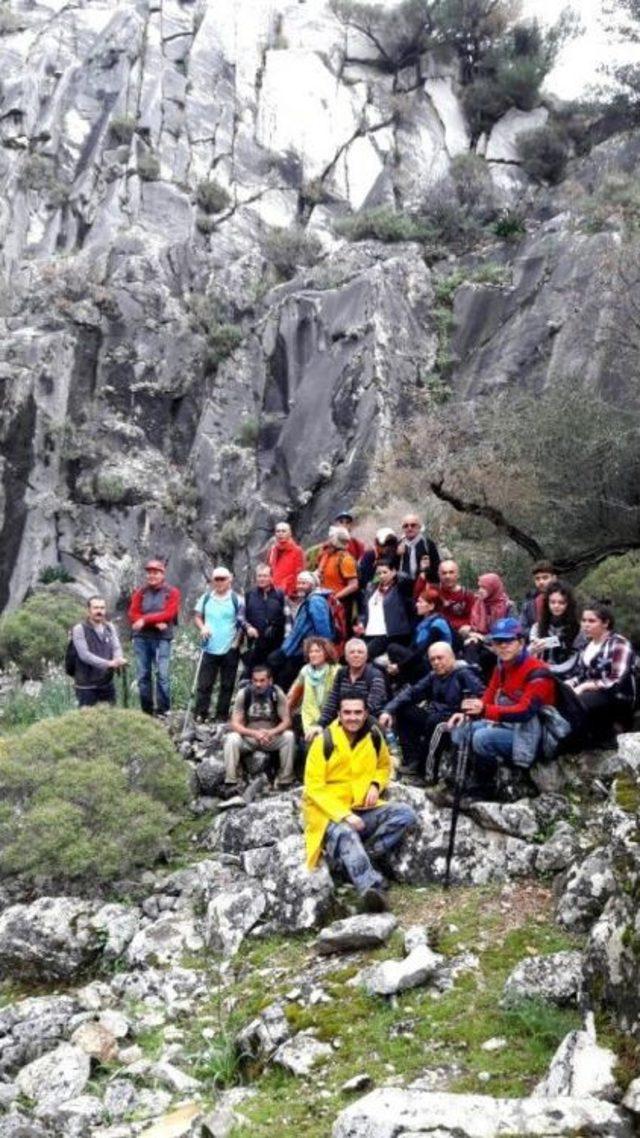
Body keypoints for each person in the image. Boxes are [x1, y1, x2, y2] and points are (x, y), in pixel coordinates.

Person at [303, 694, 417, 912]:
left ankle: (359, 859)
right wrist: (345, 816)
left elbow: (384, 766)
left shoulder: (373, 736)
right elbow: (314, 787)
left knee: (405, 815)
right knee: (346, 833)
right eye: (347, 712)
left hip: (362, 807)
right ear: (339, 714)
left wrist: (375, 784)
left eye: (357, 712)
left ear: (365, 714)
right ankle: (371, 889)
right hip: (329, 813)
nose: (352, 717)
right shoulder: (323, 741)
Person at [448, 617, 556, 799]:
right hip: (510, 725)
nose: (502, 646)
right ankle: (459, 781)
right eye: (498, 642)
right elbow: (488, 697)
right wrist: (469, 711)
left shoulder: (538, 672)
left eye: (508, 641)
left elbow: (525, 711)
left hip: (533, 734)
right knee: (462, 730)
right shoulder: (502, 666)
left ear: (521, 642)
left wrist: (485, 711)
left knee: (482, 738)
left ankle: (485, 788)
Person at [380, 642, 483, 779]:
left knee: (435, 723)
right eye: (432, 659)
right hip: (436, 715)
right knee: (404, 710)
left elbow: (482, 698)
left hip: (456, 720)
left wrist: (466, 714)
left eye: (440, 658)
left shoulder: (465, 674)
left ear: (452, 657)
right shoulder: (433, 676)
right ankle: (412, 760)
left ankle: (427, 775)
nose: (436, 662)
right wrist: (388, 710)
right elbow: (412, 692)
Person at [565, 601, 635, 743]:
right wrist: (569, 684)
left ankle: (606, 734)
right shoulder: (586, 645)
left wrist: (584, 686)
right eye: (584, 620)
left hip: (619, 697)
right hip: (596, 693)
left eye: (592, 621)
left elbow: (615, 680)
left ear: (605, 623)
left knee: (578, 703)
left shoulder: (619, 644)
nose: (586, 625)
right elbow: (581, 674)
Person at [222, 664, 295, 792]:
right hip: (249, 739)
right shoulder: (244, 694)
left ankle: (285, 780)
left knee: (289, 737)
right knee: (231, 738)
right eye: (255, 680)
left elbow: (287, 721)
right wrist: (254, 734)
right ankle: (231, 782)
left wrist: (272, 732)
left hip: (271, 738)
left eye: (262, 680)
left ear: (270, 680)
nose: (258, 684)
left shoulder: (277, 693)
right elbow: (235, 723)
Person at [128, 558, 181, 715]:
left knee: (162, 675)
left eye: (156, 572)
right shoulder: (140, 592)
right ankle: (147, 711)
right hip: (141, 638)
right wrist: (155, 621)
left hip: (162, 639)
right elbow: (132, 613)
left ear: (162, 574)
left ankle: (164, 710)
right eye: (149, 572)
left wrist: (145, 620)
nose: (152, 575)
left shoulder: (172, 592)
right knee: (143, 675)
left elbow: (169, 613)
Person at [193, 567, 246, 722]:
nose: (219, 582)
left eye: (223, 578)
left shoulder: (238, 600)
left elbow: (242, 622)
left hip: (230, 647)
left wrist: (237, 642)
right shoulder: (206, 598)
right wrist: (202, 627)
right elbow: (197, 616)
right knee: (204, 683)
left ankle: (221, 716)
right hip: (209, 646)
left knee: (227, 684)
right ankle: (200, 713)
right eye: (216, 579)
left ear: (230, 579)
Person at [308, 637, 388, 733]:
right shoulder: (341, 673)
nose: (356, 655)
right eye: (352, 652)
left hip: (370, 724)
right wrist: (321, 724)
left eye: (360, 652)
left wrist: (348, 719)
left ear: (366, 657)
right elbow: (332, 702)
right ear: (346, 657)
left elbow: (372, 706)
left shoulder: (375, 675)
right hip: (345, 721)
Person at [270, 571, 334, 689]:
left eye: (304, 583)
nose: (300, 586)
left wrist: (322, 652)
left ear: (313, 584)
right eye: (299, 583)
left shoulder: (316, 601)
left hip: (304, 650)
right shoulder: (308, 600)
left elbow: (323, 629)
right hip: (297, 648)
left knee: (285, 680)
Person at [385, 586, 452, 687]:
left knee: (394, 650)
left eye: (420, 602)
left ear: (431, 606)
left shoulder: (438, 623)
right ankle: (401, 683)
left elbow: (422, 652)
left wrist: (399, 667)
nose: (417, 605)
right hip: (422, 661)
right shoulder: (423, 623)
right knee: (393, 649)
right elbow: (412, 648)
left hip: (433, 663)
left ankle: (404, 683)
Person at [71, 596, 127, 707]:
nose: (99, 611)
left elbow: (116, 647)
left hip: (107, 683)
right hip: (86, 686)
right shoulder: (79, 629)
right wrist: (109, 663)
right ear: (89, 610)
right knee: (87, 721)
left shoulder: (109, 627)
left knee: (111, 719)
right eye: (96, 608)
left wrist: (118, 659)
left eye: (102, 608)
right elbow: (84, 655)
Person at [355, 557, 414, 660]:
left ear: (393, 571)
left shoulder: (400, 588)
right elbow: (364, 611)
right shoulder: (371, 587)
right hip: (369, 632)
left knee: (362, 656)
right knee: (354, 651)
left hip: (389, 634)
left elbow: (408, 579)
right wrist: (361, 623)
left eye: (385, 572)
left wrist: (396, 574)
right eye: (379, 573)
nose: (381, 576)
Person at [287, 637, 340, 741]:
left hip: (330, 716)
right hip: (309, 717)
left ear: (326, 653)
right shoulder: (305, 670)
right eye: (311, 651)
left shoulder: (336, 670)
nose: (313, 654)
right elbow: (293, 694)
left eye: (317, 651)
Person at [243, 564, 291, 676]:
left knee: (273, 675)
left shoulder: (280, 594)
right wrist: (248, 627)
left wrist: (287, 640)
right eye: (259, 576)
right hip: (255, 644)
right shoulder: (249, 594)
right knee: (253, 675)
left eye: (265, 576)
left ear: (271, 577)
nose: (262, 579)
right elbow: (241, 616)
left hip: (276, 643)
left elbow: (288, 618)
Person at [462, 572, 513, 679]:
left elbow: (509, 631)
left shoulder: (507, 606)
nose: (480, 590)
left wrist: (483, 638)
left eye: (484, 588)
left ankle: (473, 683)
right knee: (470, 645)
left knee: (482, 655)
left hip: (500, 643)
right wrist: (473, 635)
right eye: (479, 587)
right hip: (480, 643)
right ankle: (472, 682)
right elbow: (474, 627)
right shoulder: (478, 604)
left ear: (493, 588)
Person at [528, 580, 582, 675]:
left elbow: (575, 660)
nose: (556, 606)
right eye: (552, 602)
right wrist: (533, 648)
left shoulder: (578, 629)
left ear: (568, 604)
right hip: (540, 673)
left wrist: (549, 642)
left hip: (567, 676)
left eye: (561, 603)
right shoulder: (537, 627)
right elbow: (529, 653)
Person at [316, 525, 359, 628]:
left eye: (330, 538)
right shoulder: (327, 556)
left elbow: (354, 585)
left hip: (339, 605)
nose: (328, 541)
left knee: (339, 635)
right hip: (325, 603)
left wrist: (335, 597)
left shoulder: (345, 559)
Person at [267, 522, 306, 598]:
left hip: (289, 594)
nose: (280, 534)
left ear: (290, 533)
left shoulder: (297, 551)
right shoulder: (273, 550)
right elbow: (269, 570)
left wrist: (293, 591)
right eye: (278, 531)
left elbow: (300, 574)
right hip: (273, 592)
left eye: (283, 531)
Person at [398, 514, 440, 584]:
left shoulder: (428, 544)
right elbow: (391, 569)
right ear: (403, 528)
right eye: (406, 526)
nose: (409, 528)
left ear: (419, 527)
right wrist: (396, 555)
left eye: (413, 525)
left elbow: (437, 567)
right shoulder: (398, 545)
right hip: (403, 588)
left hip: (424, 587)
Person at [519, 560, 557, 637]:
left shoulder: (565, 600)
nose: (541, 582)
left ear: (554, 578)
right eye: (537, 579)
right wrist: (535, 632)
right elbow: (521, 629)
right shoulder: (529, 603)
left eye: (545, 577)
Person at [437, 560, 474, 638]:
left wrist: (467, 626)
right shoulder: (434, 592)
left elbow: (472, 617)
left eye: (451, 572)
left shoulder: (467, 594)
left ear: (458, 574)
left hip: (460, 633)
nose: (447, 576)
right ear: (439, 575)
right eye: (444, 573)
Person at [358, 528, 400, 592]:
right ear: (377, 544)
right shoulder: (370, 556)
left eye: (391, 544)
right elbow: (366, 581)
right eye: (384, 544)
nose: (387, 548)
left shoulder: (396, 555)